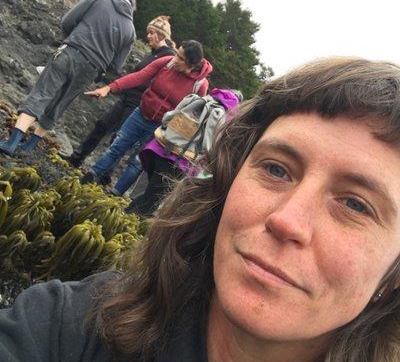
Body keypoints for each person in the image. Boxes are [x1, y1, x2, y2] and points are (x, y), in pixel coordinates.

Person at [2, 57, 400, 362]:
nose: (286, 220)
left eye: (355, 205)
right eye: (277, 169)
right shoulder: (71, 325)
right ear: (227, 181)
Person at [0, 0, 136, 156]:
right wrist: (100, 72)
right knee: (61, 103)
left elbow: (67, 21)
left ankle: (11, 143)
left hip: (71, 52)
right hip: (92, 69)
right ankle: (28, 147)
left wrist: (70, 40)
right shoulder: (131, 31)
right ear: (132, 8)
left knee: (41, 94)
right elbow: (116, 65)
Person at [81, 40, 212, 185]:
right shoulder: (167, 63)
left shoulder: (200, 85)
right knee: (116, 147)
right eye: (177, 54)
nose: (176, 59)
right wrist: (109, 88)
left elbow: (194, 114)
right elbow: (139, 76)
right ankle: (90, 176)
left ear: (191, 65)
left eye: (181, 58)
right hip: (140, 113)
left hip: (161, 128)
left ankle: (116, 193)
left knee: (138, 162)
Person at [65, 15, 176, 169]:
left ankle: (103, 174)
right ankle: (77, 158)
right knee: (102, 125)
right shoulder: (153, 53)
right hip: (127, 97)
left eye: (151, 33)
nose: (148, 36)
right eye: (148, 32)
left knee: (119, 138)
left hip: (139, 103)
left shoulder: (168, 58)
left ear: (161, 35)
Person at [125, 88, 243, 217]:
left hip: (157, 148)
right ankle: (127, 221)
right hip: (178, 161)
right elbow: (208, 146)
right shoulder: (221, 114)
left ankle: (126, 213)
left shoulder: (200, 99)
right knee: (152, 200)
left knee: (149, 192)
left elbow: (168, 117)